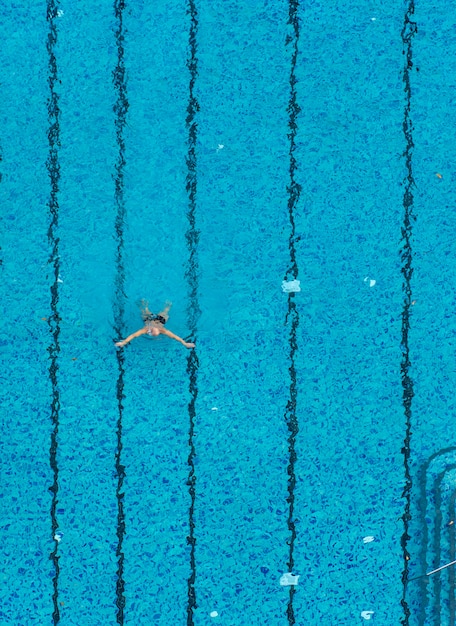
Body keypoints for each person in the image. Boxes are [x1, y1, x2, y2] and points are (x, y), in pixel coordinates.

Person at [115, 300, 195, 349]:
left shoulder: (160, 330)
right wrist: (123, 342)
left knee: (162, 311)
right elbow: (133, 335)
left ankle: (162, 306)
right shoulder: (146, 330)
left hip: (155, 320)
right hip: (158, 320)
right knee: (151, 311)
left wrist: (185, 343)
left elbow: (175, 336)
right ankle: (162, 306)